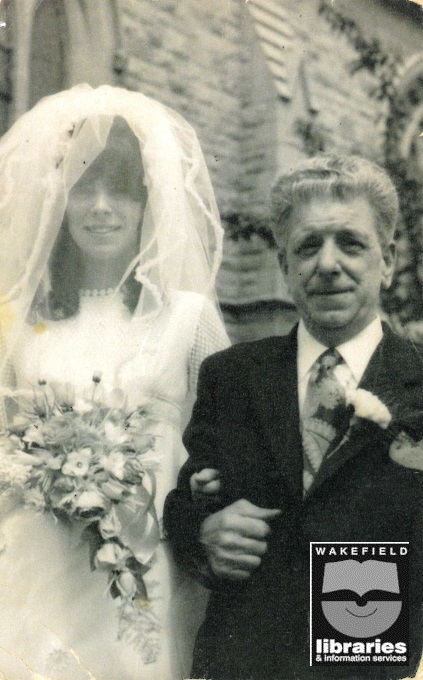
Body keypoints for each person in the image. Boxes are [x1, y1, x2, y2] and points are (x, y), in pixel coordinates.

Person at [0, 84, 229, 680]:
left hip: (142, 574)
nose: (101, 207)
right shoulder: (20, 324)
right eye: (84, 188)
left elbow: (229, 447)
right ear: (60, 201)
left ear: (147, 202)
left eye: (120, 190)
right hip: (35, 570)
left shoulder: (188, 318)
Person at [164, 154, 423, 680]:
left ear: (388, 260)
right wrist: (203, 534)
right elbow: (186, 495)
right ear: (284, 266)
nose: (327, 264)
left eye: (350, 243)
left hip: (375, 662)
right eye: (308, 246)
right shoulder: (232, 377)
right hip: (245, 662)